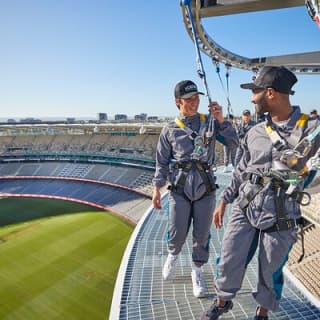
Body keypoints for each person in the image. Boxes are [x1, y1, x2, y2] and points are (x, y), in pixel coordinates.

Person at [201, 66, 320, 320]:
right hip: (246, 205)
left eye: (255, 92)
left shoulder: (312, 130)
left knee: (271, 267)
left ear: (270, 93)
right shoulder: (254, 131)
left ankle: (262, 311)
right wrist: (225, 200)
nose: (252, 99)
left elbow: (310, 173)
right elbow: (241, 170)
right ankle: (222, 301)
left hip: (283, 211)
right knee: (230, 257)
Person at [152, 80, 238, 298]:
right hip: (180, 189)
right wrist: (156, 188)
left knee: (201, 235)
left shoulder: (210, 122)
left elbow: (233, 142)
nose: (194, 103)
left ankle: (196, 271)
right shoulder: (170, 130)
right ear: (177, 102)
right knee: (178, 231)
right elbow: (161, 162)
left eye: (196, 98)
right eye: (189, 100)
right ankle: (172, 255)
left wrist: (221, 121)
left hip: (205, 189)